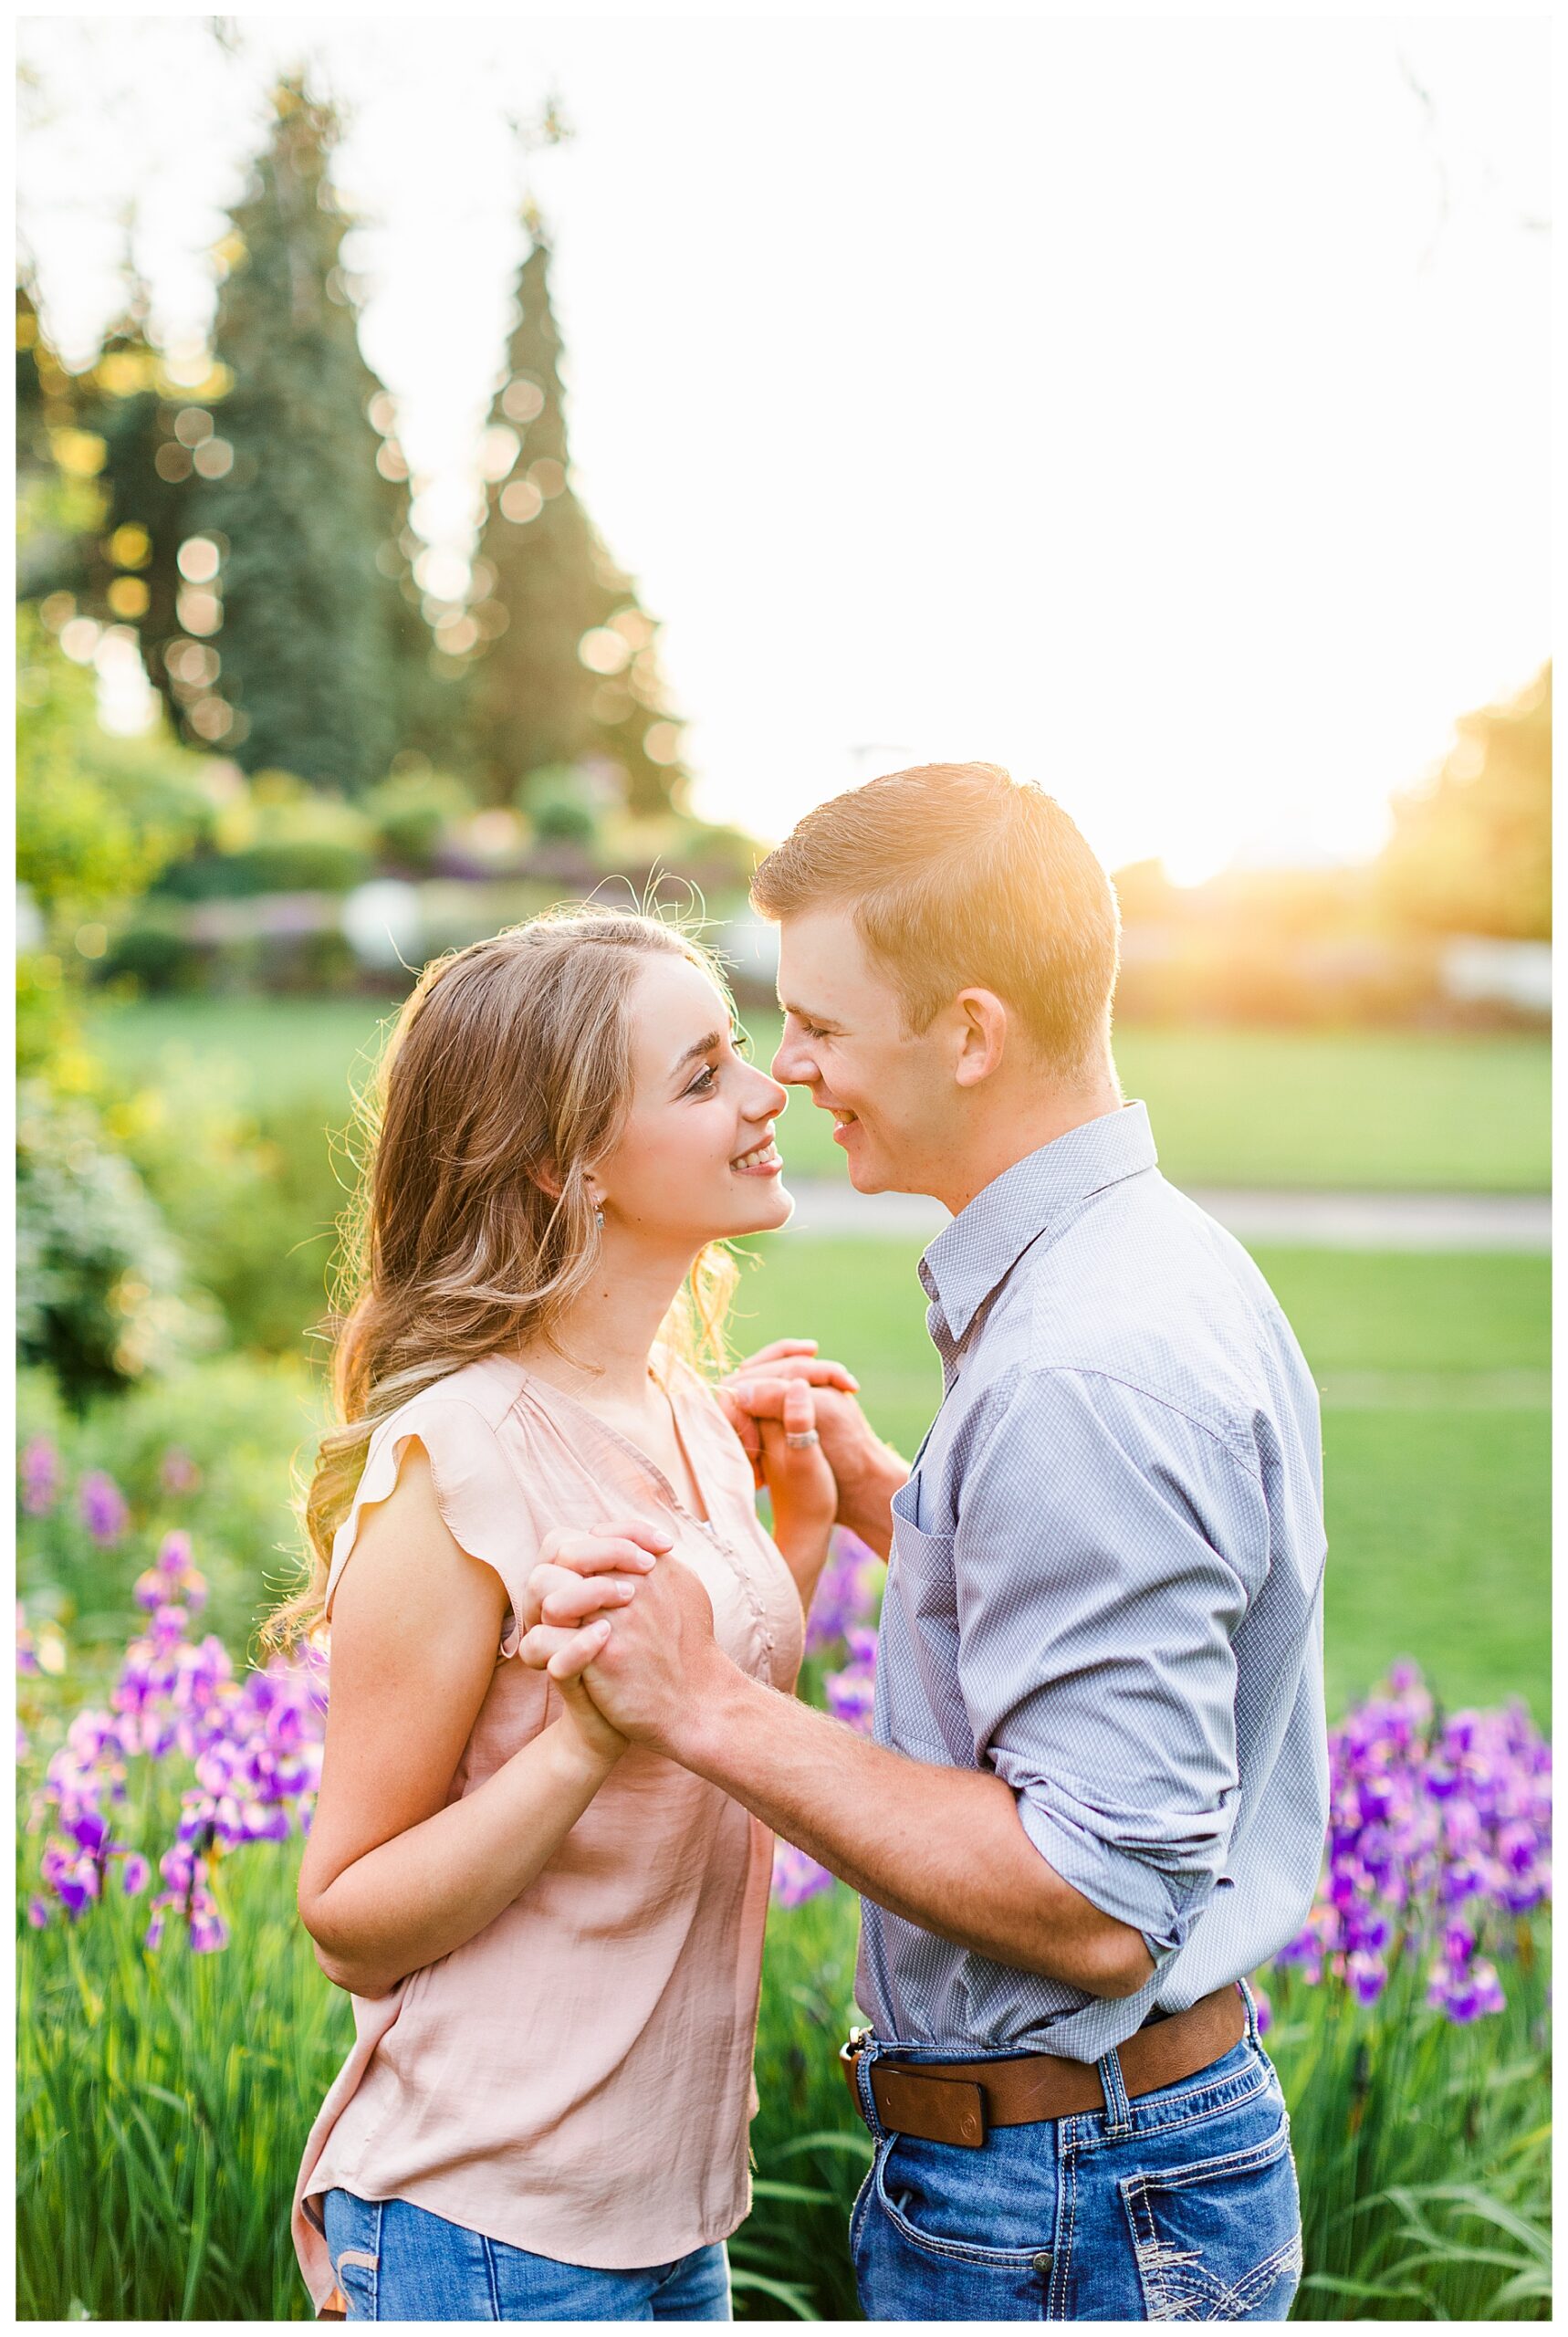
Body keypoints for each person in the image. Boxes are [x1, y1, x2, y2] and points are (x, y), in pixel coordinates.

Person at [524, 763, 1331, 2322]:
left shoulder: (1079, 1372)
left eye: (818, 1024)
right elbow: (1101, 1606)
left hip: (1069, 2207)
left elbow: (1096, 1903)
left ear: (967, 1032)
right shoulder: (1149, 1261)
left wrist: (707, 1704)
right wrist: (902, 1502)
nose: (788, 1072)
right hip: (1100, 2176)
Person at [286, 907, 856, 2321]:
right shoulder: (453, 1462)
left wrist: (797, 1535)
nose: (764, 1090)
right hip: (486, 2228)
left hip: (666, 2219)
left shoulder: (682, 1405)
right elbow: (348, 1918)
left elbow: (698, 1720)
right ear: (564, 1165)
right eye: (701, 1073)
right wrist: (578, 1746)